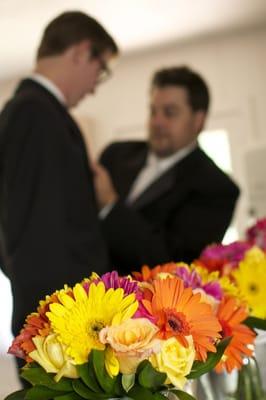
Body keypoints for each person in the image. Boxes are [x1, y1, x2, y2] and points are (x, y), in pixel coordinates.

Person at [0, 11, 118, 339]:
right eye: (101, 69)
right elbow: (39, 236)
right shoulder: (35, 113)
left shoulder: (34, 111)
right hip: (60, 327)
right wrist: (67, 328)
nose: (95, 86)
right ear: (82, 52)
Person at [93, 66, 240, 274]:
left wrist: (110, 205)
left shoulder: (216, 188)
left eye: (170, 113)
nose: (157, 121)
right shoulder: (116, 154)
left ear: (198, 120)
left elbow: (173, 262)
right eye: (153, 111)